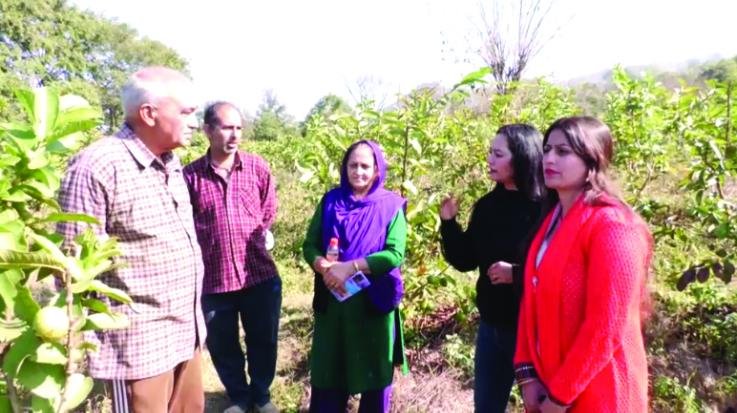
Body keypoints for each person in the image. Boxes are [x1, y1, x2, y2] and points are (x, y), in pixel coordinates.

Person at [57, 66, 205, 412]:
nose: (195, 122)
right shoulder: (97, 166)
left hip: (186, 332)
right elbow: (70, 269)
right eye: (186, 111)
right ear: (149, 113)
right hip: (137, 347)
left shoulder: (172, 163)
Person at [514, 116, 652, 412]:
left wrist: (560, 397)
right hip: (550, 385)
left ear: (593, 158)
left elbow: (606, 327)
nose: (549, 158)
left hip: (600, 392)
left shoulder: (613, 225)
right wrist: (527, 376)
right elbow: (532, 297)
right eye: (547, 149)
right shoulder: (552, 219)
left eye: (563, 152)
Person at [438, 124, 545, 413]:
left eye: (498, 154)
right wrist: (449, 224)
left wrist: (517, 273)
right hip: (493, 327)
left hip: (537, 331)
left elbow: (562, 270)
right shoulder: (487, 206)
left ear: (522, 157)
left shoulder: (547, 207)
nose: (490, 159)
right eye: (490, 152)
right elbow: (466, 260)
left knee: (541, 407)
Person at [183, 102, 281, 413]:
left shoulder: (257, 167)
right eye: (227, 127)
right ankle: (238, 396)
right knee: (223, 345)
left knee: (263, 339)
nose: (234, 134)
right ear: (208, 130)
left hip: (258, 275)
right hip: (214, 278)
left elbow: (268, 209)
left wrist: (257, 234)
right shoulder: (190, 177)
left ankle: (262, 394)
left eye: (238, 128)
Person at [302, 140, 408, 413]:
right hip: (334, 300)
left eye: (365, 166)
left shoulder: (391, 205)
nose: (358, 171)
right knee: (329, 371)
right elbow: (309, 245)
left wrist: (352, 267)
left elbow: (395, 253)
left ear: (376, 170)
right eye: (353, 165)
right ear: (345, 167)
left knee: (374, 373)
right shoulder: (330, 201)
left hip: (373, 304)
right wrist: (325, 267)